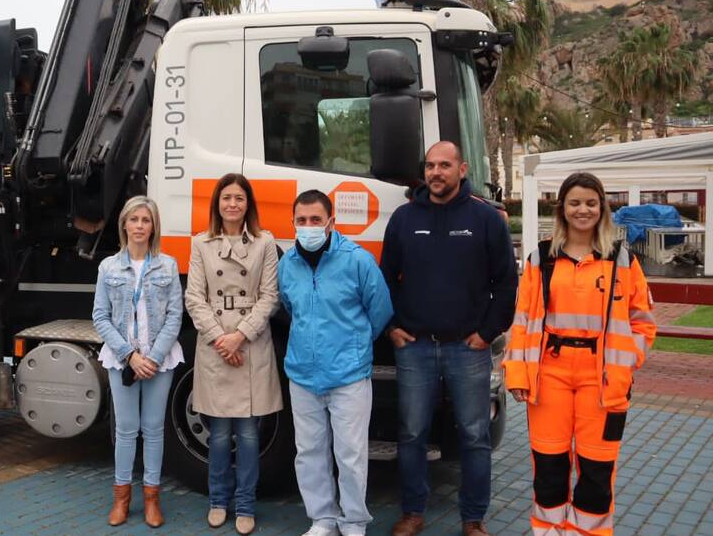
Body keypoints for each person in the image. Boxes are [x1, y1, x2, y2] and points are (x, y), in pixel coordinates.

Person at [503, 172, 655, 536]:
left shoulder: (621, 260)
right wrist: (518, 374)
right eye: (574, 202)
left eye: (590, 202)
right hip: (549, 376)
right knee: (550, 468)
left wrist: (625, 363)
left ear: (602, 208)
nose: (582, 209)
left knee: (597, 472)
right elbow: (522, 320)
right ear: (562, 209)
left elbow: (643, 322)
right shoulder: (541, 258)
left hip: (602, 382)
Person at [380, 140, 517, 536]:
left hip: (466, 348)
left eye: (444, 165)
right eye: (430, 166)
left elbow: (506, 282)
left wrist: (487, 333)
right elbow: (385, 279)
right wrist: (391, 326)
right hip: (416, 348)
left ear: (462, 169)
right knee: (411, 434)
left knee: (474, 436)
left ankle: (473, 519)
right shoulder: (404, 219)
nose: (436, 172)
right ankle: (413, 513)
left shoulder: (486, 219)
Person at [279, 190, 394, 536]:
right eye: (302, 221)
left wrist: (354, 346)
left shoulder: (356, 261)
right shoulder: (287, 264)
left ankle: (354, 521)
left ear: (331, 222)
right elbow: (289, 308)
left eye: (316, 220)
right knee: (309, 452)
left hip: (348, 375)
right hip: (302, 374)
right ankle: (323, 519)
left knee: (351, 455)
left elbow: (380, 309)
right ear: (294, 223)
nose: (309, 227)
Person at [185, 173, 283, 536]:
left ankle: (245, 504)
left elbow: (270, 296)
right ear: (217, 203)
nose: (232, 204)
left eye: (239, 198)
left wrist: (239, 335)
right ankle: (217, 501)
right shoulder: (201, 244)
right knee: (219, 435)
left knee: (250, 435)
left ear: (248, 204)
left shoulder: (264, 243)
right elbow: (194, 298)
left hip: (251, 344)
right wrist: (220, 338)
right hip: (215, 346)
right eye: (226, 198)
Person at [92, 195, 185, 528]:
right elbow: (100, 317)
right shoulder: (108, 267)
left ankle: (151, 500)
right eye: (134, 220)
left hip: (160, 360)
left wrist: (154, 357)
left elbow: (176, 315)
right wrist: (130, 356)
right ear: (124, 225)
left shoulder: (168, 266)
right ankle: (121, 500)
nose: (140, 226)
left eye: (146, 220)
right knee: (127, 431)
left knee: (154, 430)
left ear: (154, 226)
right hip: (123, 360)